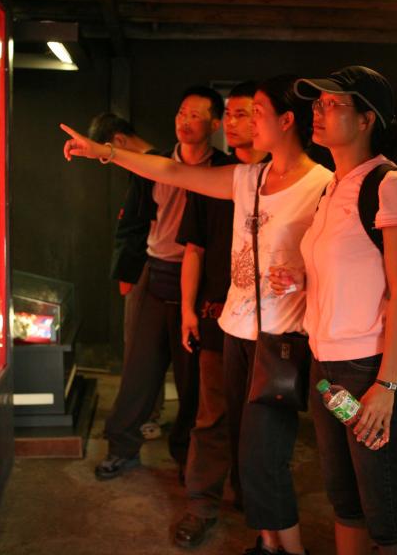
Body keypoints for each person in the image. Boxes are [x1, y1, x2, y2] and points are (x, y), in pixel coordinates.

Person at [61, 74, 332, 555]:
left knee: (265, 452)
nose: (244, 121)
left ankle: (286, 548)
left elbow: (342, 262)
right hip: (233, 331)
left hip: (281, 340)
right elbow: (173, 172)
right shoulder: (248, 178)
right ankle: (266, 542)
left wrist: (305, 279)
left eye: (255, 113)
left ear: (286, 121)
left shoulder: (323, 185)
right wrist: (107, 152)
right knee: (232, 438)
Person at [285, 66, 397, 555]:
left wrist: (386, 387)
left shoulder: (391, 185)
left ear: (367, 119)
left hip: (370, 369)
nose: (318, 112)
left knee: (388, 516)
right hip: (326, 368)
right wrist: (299, 279)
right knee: (346, 502)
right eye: (317, 104)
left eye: (332, 104)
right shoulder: (333, 187)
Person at [91, 87, 229, 482]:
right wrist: (127, 273)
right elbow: (134, 221)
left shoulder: (225, 169)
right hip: (155, 272)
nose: (185, 121)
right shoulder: (155, 164)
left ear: (214, 124)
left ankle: (188, 456)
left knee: (193, 379)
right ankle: (122, 447)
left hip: (199, 283)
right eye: (182, 113)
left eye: (196, 115)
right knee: (139, 370)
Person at [172, 82, 269, 549]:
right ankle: (201, 503)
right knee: (211, 416)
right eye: (227, 114)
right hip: (217, 317)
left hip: (272, 326)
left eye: (242, 114)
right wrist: (187, 309)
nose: (231, 122)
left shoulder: (289, 180)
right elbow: (193, 248)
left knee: (264, 422)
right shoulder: (216, 178)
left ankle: (260, 506)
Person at [88, 112, 164, 440]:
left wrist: (130, 273)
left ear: (118, 141)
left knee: (140, 351)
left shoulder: (153, 167)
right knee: (140, 349)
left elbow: (146, 226)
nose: (109, 161)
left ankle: (143, 417)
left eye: (107, 154)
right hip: (140, 268)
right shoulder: (147, 166)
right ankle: (142, 415)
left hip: (147, 267)